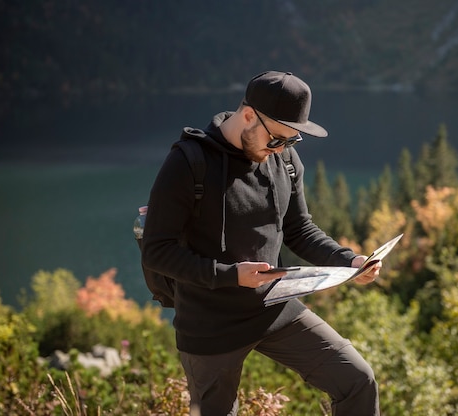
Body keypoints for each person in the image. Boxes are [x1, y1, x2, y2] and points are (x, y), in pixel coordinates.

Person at [142, 70, 381, 415]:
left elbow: (300, 230)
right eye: (276, 139)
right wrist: (230, 275)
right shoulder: (189, 162)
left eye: (291, 141)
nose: (281, 149)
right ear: (249, 115)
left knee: (357, 380)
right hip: (209, 323)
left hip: (274, 306)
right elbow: (156, 251)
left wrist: (351, 262)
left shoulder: (284, 160)